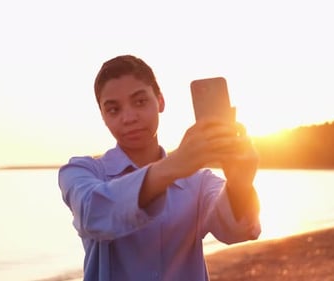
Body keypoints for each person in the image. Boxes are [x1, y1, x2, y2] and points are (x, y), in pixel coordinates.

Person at [58, 54, 261, 281]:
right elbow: (92, 214)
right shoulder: (81, 171)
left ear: (160, 101)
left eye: (140, 101)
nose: (129, 117)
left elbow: (236, 231)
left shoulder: (200, 182)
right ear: (103, 116)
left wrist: (240, 184)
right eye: (114, 109)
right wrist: (173, 166)